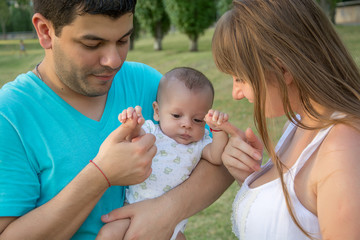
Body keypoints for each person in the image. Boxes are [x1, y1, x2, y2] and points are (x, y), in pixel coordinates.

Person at [0, 1, 260, 239]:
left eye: (123, 40)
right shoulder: (10, 115)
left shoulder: (146, 82)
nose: (114, 61)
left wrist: (167, 210)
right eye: (92, 44)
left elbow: (220, 162)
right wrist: (101, 175)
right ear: (45, 31)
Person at [212, 0, 360, 239]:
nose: (235, 93)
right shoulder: (300, 124)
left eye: (240, 78)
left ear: (283, 69)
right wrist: (251, 177)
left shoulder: (342, 150)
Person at [96, 67, 234, 240]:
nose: (187, 124)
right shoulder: (151, 131)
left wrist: (218, 129)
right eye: (177, 115)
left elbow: (216, 156)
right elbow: (134, 140)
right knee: (108, 234)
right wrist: (132, 123)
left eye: (197, 120)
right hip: (132, 208)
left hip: (172, 224)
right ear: (157, 111)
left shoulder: (200, 143)